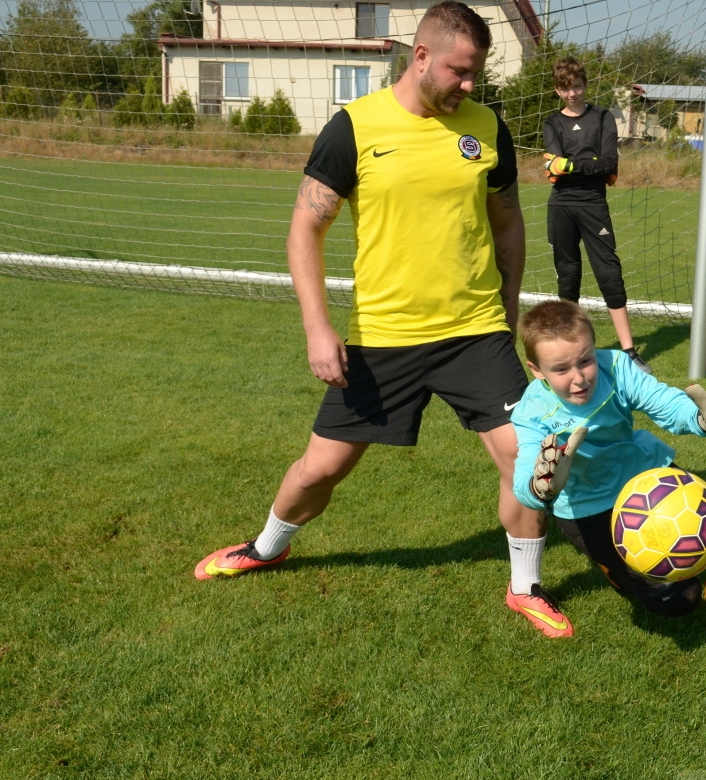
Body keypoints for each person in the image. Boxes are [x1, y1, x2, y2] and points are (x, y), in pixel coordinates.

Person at [194, 2, 572, 639]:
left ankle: (525, 586)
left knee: (527, 458)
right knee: (321, 469)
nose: (469, 86)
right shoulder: (355, 127)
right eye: (459, 71)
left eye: (476, 73)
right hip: (383, 337)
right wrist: (318, 328)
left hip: (473, 333)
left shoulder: (487, 129)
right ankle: (266, 546)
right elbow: (304, 228)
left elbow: (507, 222)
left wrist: (504, 318)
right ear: (420, 56)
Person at [510, 300, 706, 625]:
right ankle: (615, 568)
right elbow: (525, 476)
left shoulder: (615, 368)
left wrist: (702, 418)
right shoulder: (531, 412)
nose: (579, 377)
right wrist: (541, 486)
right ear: (536, 370)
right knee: (678, 598)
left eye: (585, 360)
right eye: (560, 369)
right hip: (589, 507)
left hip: (645, 481)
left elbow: (663, 401)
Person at [542, 57, 651, 374]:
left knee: (609, 274)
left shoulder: (603, 117)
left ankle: (629, 352)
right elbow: (554, 166)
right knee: (568, 276)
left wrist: (572, 166)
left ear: (585, 85)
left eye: (577, 86)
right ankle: (570, 350)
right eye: (566, 88)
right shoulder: (552, 123)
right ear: (558, 90)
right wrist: (576, 165)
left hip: (593, 204)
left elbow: (608, 164)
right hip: (561, 205)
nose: (573, 93)